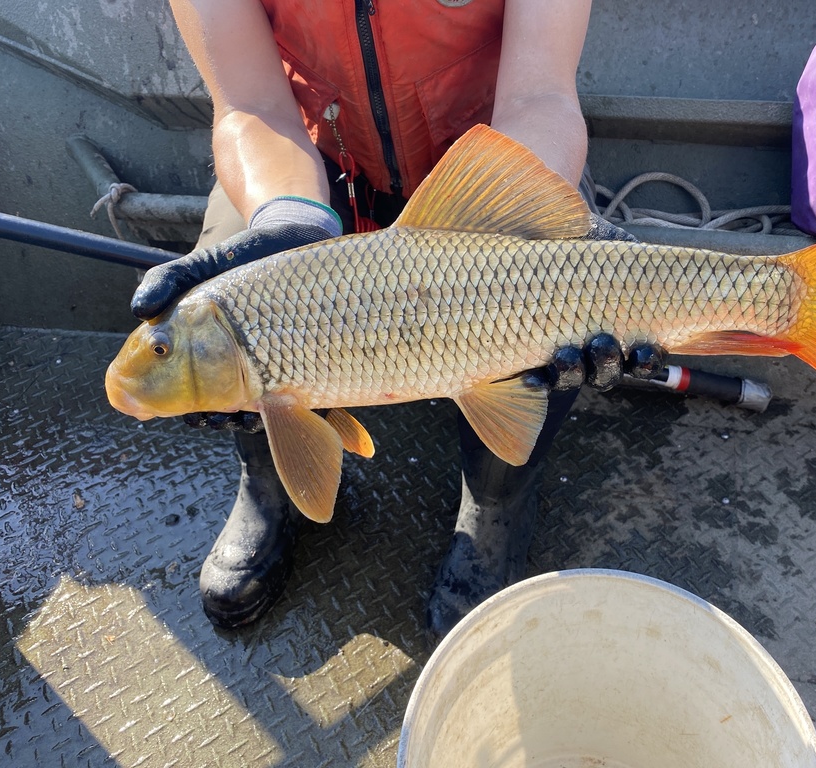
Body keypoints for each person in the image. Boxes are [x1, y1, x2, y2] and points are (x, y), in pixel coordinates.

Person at [134, 0, 657, 636]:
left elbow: (540, 95)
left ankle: (496, 500)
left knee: (553, 310)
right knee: (232, 295)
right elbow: (251, 106)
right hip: (305, 172)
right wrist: (287, 219)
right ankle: (267, 483)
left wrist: (524, 236)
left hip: (490, 161)